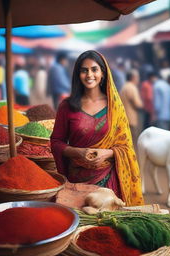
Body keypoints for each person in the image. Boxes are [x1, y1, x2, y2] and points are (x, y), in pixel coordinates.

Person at [51, 50, 144, 206]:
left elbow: (126, 146)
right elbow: (55, 141)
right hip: (77, 183)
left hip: (109, 182)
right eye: (84, 70)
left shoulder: (114, 107)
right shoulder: (67, 106)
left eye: (94, 69)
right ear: (77, 74)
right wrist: (77, 152)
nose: (89, 75)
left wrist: (107, 153)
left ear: (103, 73)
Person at [120, 69, 143, 152]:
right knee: (132, 142)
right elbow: (137, 104)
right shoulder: (132, 87)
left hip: (125, 117)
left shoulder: (124, 86)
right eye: (137, 77)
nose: (138, 79)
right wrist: (143, 105)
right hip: (131, 119)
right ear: (133, 77)